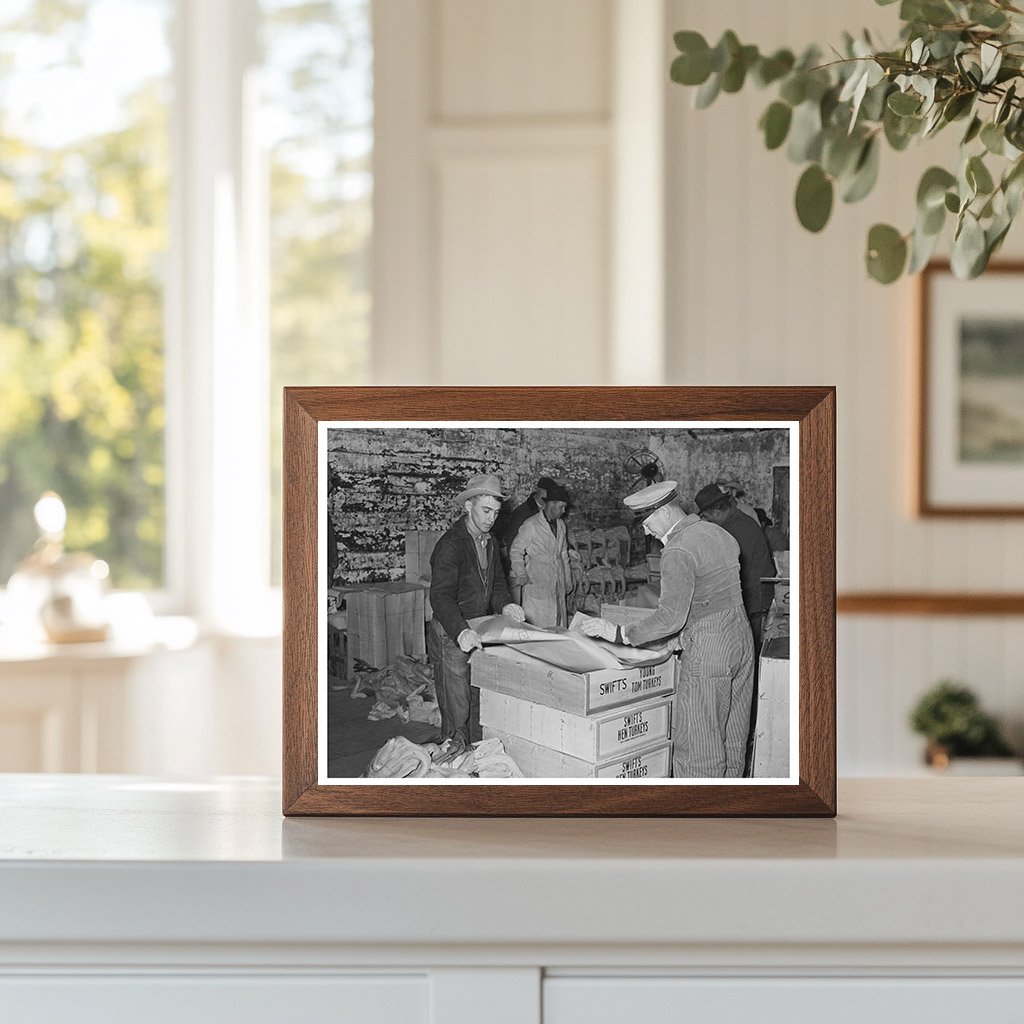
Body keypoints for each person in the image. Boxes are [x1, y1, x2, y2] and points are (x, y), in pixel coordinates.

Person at [579, 481, 754, 778]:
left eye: (647, 523)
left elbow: (670, 616)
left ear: (663, 512)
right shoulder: (720, 534)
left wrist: (619, 633)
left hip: (709, 652)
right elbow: (711, 596)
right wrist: (679, 636)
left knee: (700, 745)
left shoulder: (677, 550)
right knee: (733, 737)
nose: (647, 532)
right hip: (741, 638)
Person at [428, 474, 526, 759]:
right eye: (485, 510)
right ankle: (454, 759)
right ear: (468, 506)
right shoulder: (451, 545)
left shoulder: (491, 542)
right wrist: (460, 631)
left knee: (476, 697)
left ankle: (473, 755)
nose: (491, 518)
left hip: (478, 629)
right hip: (452, 631)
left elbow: (496, 584)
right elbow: (441, 596)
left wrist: (506, 604)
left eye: (495, 513)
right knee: (456, 704)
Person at [694, 483, 776, 655]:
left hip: (753, 599)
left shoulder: (739, 529)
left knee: (747, 652)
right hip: (744, 597)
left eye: (707, 517)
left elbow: (732, 570)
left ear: (717, 512)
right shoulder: (731, 525)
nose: (707, 521)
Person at [509, 479, 571, 627]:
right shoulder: (531, 525)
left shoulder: (561, 525)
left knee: (557, 624)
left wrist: (567, 579)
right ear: (552, 504)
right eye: (562, 507)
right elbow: (516, 550)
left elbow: (563, 554)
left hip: (556, 581)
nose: (564, 511)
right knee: (537, 626)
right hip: (537, 580)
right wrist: (521, 573)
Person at [503, 475, 556, 552]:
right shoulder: (522, 513)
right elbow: (512, 543)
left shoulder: (550, 511)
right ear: (540, 491)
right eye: (549, 493)